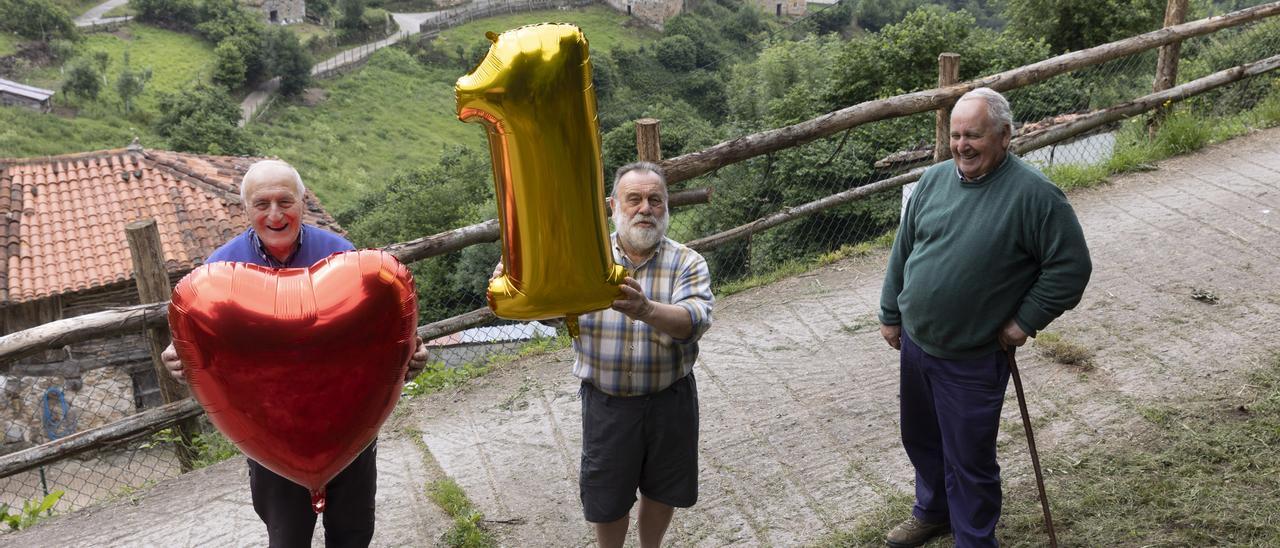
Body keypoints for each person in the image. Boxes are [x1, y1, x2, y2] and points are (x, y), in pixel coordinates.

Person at [161, 159, 429, 548]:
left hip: (347, 421)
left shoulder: (342, 258)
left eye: (285, 201)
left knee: (353, 532)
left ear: (303, 202)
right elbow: (203, 334)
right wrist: (179, 352)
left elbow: (377, 330)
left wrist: (410, 351)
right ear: (245, 209)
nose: (274, 214)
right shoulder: (219, 270)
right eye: (261, 204)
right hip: (270, 431)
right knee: (287, 538)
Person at [877, 88, 1092, 547]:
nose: (962, 146)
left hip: (973, 356)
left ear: (1005, 136)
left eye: (973, 135)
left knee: (969, 458)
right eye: (955, 135)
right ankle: (933, 511)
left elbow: (1071, 267)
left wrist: (1024, 322)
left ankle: (974, 539)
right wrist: (891, 313)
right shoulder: (934, 180)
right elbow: (904, 250)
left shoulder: (1035, 196)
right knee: (920, 437)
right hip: (917, 344)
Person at [493, 161, 713, 547]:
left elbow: (695, 320)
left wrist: (646, 310)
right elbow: (543, 307)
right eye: (634, 199)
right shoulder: (582, 260)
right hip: (607, 402)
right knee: (607, 498)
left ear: (667, 207)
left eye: (655, 200)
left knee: (663, 487)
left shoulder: (687, 262)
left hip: (671, 396)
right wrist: (516, 281)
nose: (645, 208)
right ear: (613, 206)